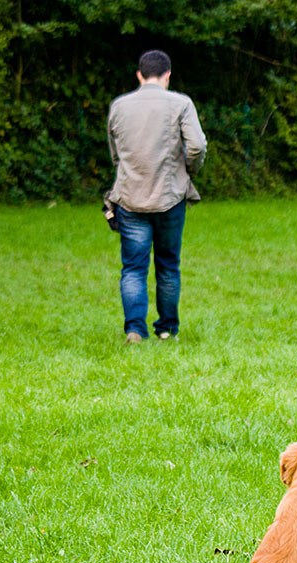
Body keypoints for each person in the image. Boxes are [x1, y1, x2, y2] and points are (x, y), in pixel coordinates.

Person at [106, 49, 207, 344]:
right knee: (168, 265)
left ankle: (135, 329)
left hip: (129, 198)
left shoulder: (119, 106)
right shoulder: (181, 104)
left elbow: (116, 153)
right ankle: (166, 329)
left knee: (133, 268)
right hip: (170, 197)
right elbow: (197, 146)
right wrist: (189, 170)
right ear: (168, 75)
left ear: (139, 75)